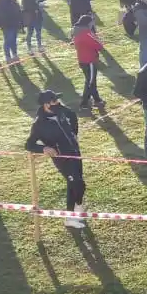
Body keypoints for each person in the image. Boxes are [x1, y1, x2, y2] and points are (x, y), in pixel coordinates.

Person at [25, 90, 87, 228]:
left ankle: (78, 206)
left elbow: (73, 115)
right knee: (74, 182)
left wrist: (74, 134)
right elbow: (29, 144)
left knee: (80, 184)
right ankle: (69, 217)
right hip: (62, 158)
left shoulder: (61, 111)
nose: (57, 103)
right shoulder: (39, 124)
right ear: (46, 105)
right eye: (54, 101)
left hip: (75, 152)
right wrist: (44, 149)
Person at [72, 14, 106, 112]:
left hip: (82, 60)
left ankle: (97, 100)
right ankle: (84, 103)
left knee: (91, 80)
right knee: (90, 82)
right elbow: (99, 45)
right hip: (89, 60)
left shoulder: (77, 32)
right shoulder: (87, 33)